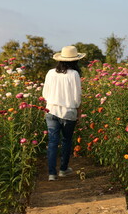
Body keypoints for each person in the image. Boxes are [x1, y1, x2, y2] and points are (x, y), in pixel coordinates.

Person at [42, 46, 86, 181]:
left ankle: (51, 174)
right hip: (68, 112)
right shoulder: (74, 74)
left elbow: (44, 94)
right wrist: (78, 113)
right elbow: (77, 97)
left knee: (53, 141)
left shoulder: (50, 73)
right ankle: (63, 169)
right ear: (74, 61)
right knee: (66, 140)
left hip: (51, 110)